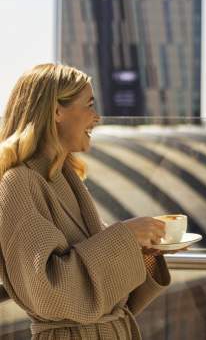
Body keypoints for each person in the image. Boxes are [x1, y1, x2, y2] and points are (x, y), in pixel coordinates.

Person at [0, 63, 172, 339]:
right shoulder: (19, 183)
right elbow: (47, 290)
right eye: (89, 105)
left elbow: (104, 294)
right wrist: (126, 236)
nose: (97, 117)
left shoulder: (65, 178)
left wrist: (143, 252)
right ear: (56, 111)